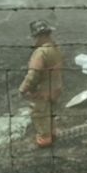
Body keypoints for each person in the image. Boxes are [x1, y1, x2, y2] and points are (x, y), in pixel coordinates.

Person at [19, 20, 64, 148]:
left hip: (42, 91)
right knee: (50, 113)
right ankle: (53, 134)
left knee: (39, 115)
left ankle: (44, 143)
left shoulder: (40, 53)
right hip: (56, 87)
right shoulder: (55, 48)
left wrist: (23, 88)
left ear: (38, 36)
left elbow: (33, 75)